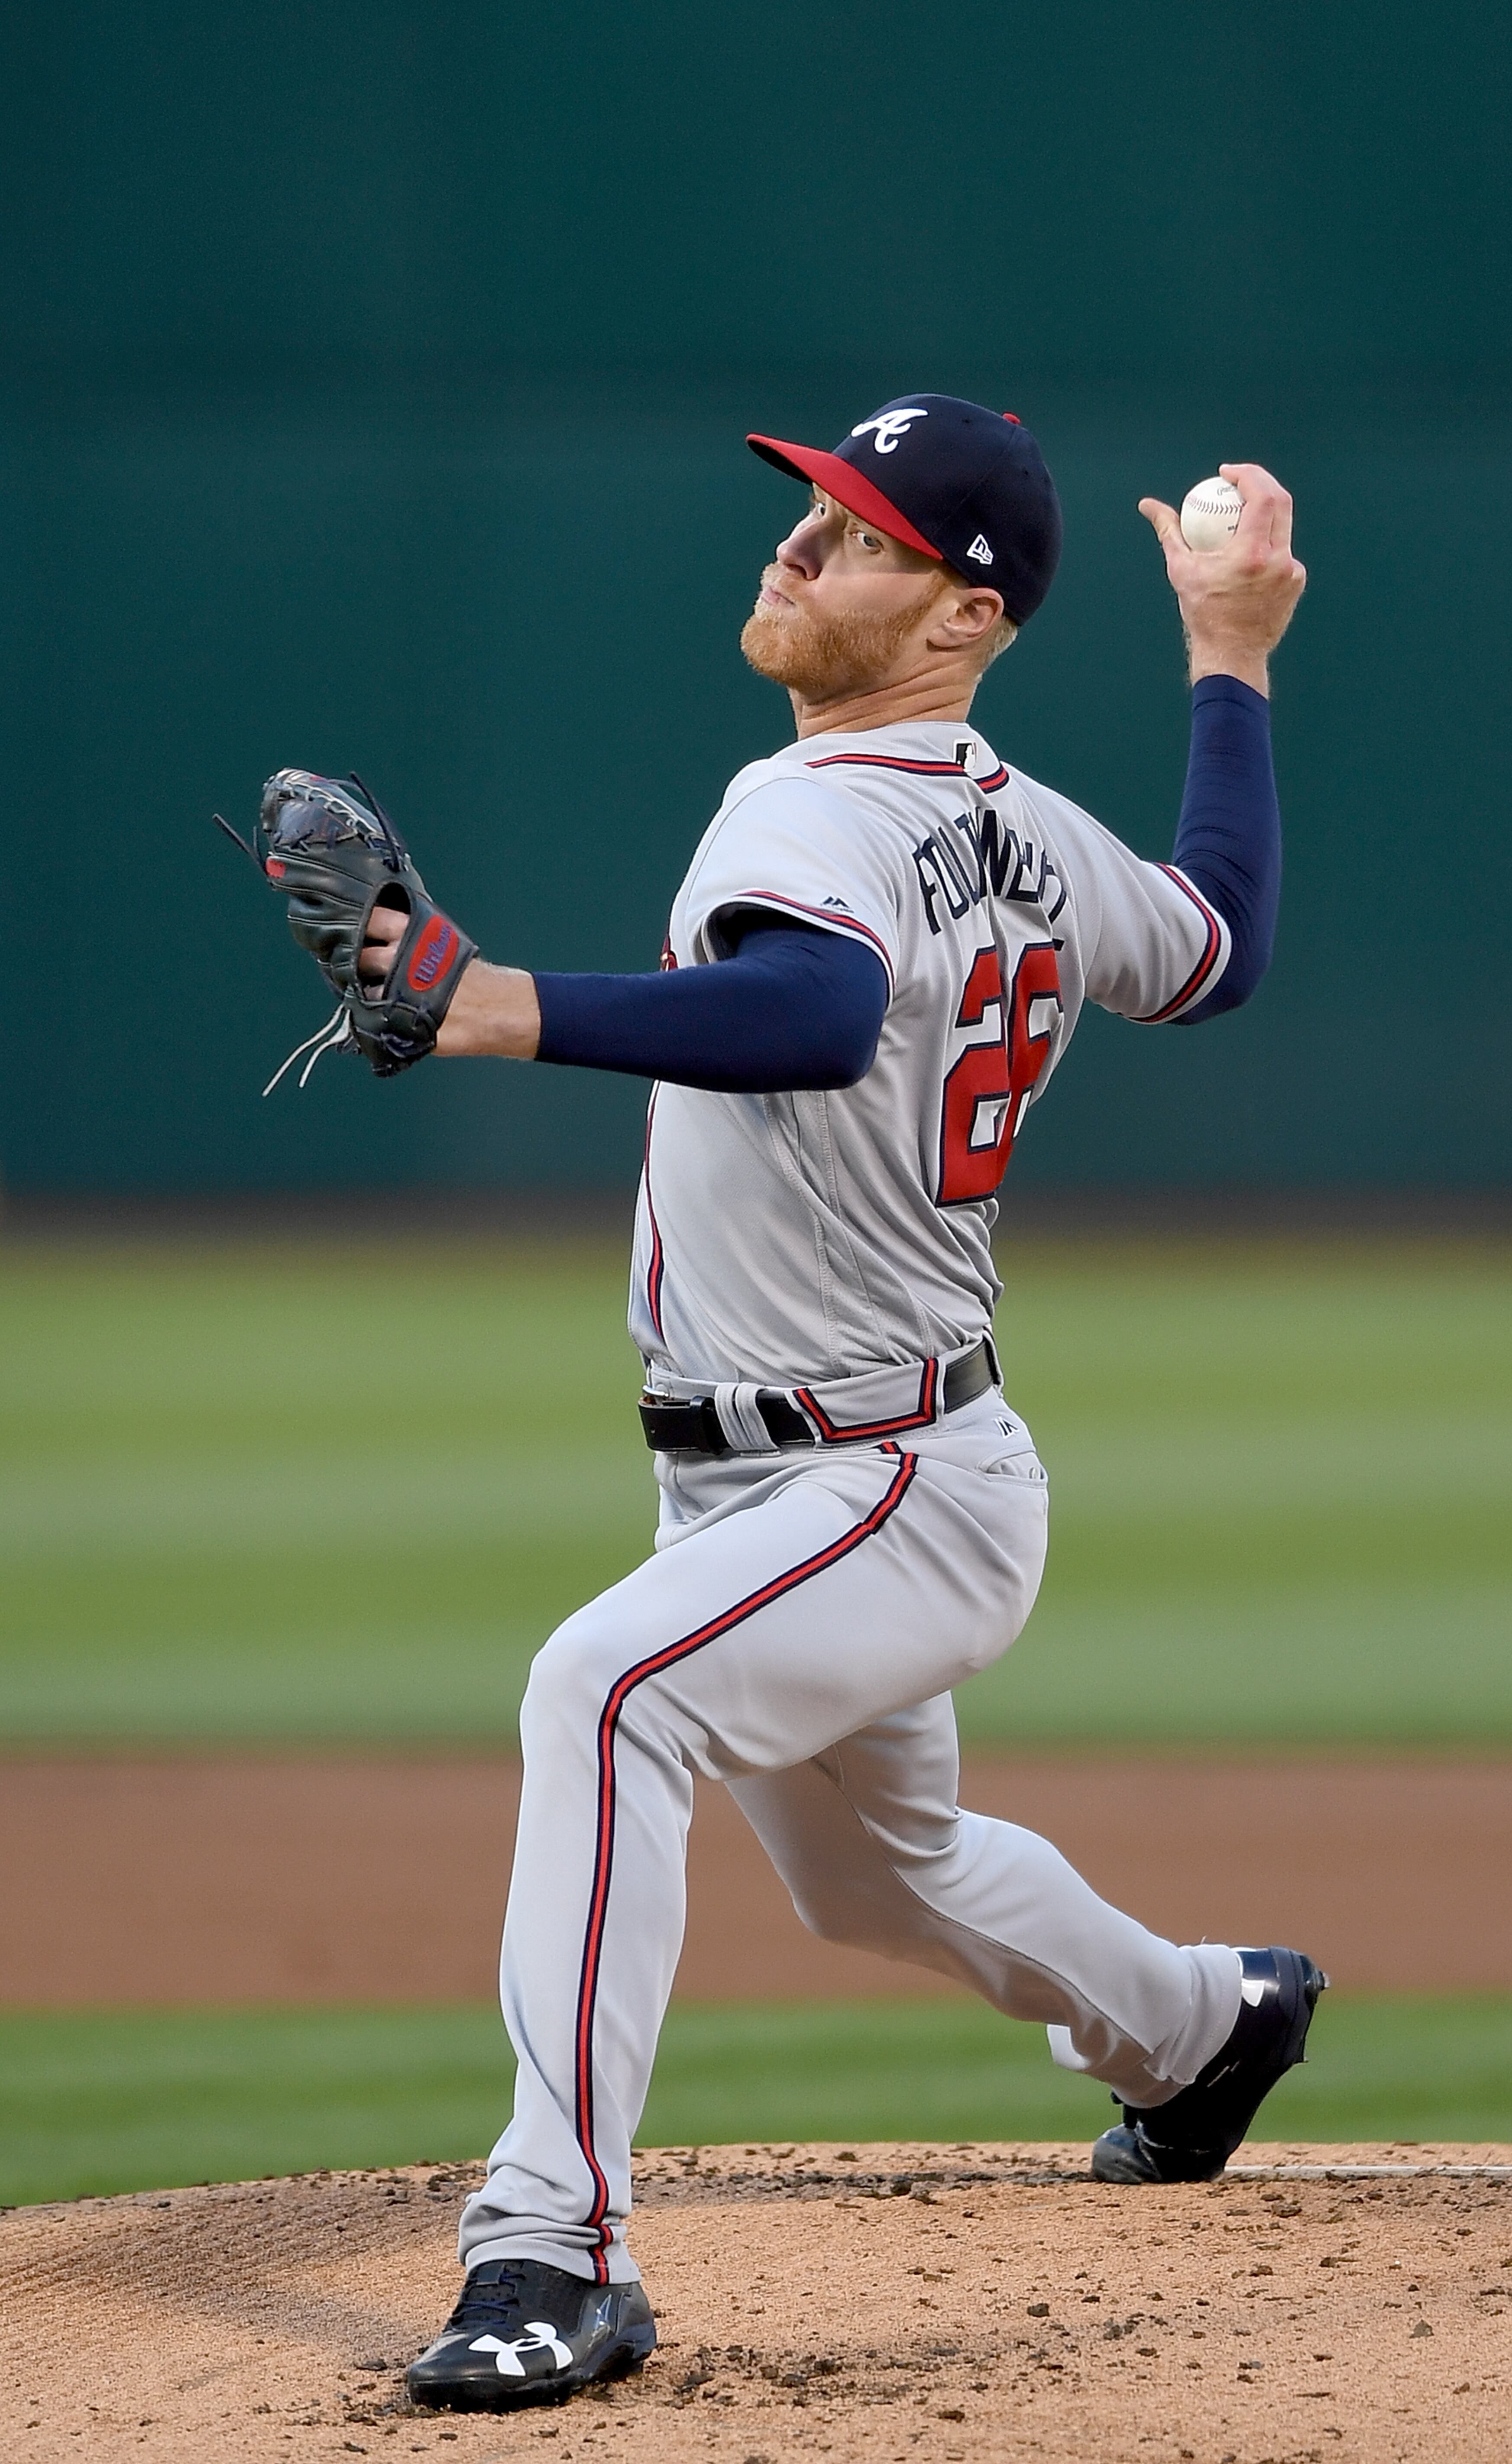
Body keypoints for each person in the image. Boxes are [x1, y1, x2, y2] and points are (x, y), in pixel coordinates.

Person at [383, 396, 1318, 2414]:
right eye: (810, 505)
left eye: (863, 532)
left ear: (963, 613)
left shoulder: (807, 812)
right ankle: (1203, 2025)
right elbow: (1220, 942)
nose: (805, 546)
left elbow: (811, 1015)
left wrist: (494, 1001)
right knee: (876, 1874)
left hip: (887, 1476)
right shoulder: (1036, 831)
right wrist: (1229, 660)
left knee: (610, 1692)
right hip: (840, 1474)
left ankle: (554, 2241)